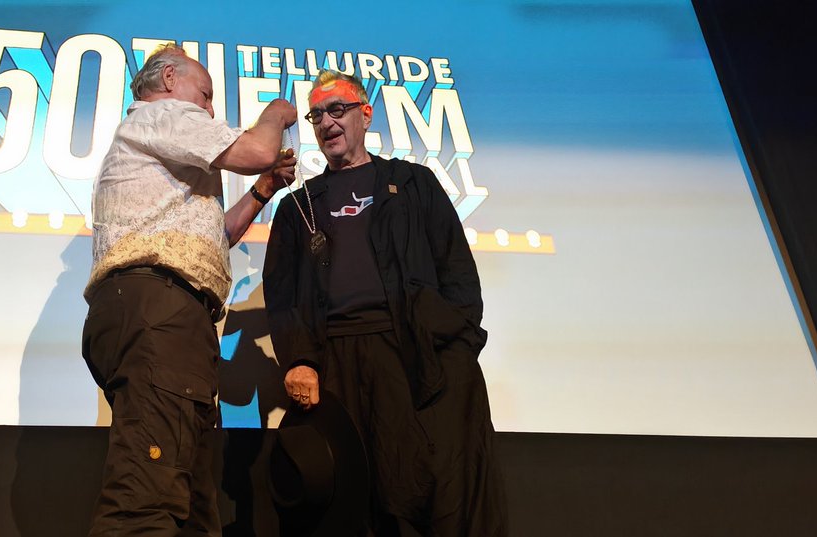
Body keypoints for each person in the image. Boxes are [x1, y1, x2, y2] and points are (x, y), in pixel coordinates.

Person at [263, 70, 508, 536]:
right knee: (349, 502)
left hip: (412, 356)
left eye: (337, 110)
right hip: (335, 364)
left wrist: (453, 348)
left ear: (365, 114)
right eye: (317, 115)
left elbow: (456, 270)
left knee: (425, 493)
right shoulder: (299, 206)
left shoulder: (413, 184)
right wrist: (299, 360)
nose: (326, 123)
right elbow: (281, 292)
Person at [81, 44, 296, 536]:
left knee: (192, 506)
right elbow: (259, 148)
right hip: (160, 313)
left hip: (166, 317)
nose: (211, 110)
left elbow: (212, 239)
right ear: (171, 79)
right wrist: (277, 113)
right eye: (206, 95)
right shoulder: (164, 114)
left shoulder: (157, 143)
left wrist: (262, 190)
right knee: (146, 503)